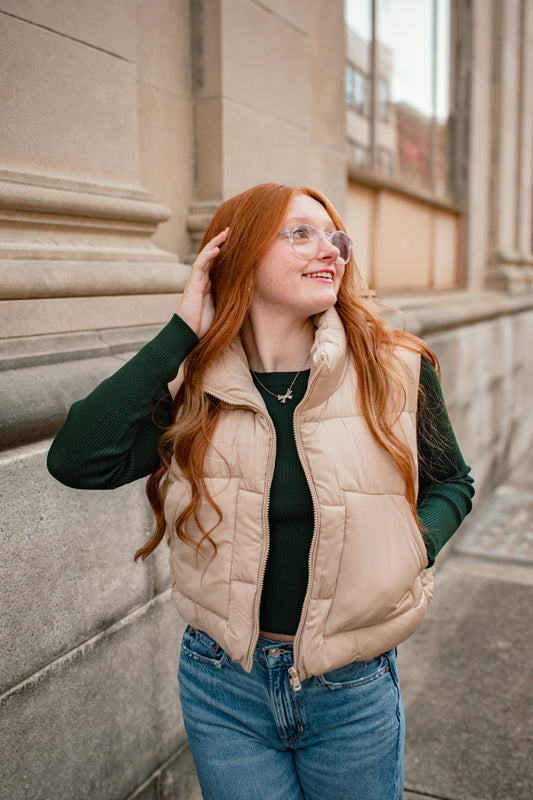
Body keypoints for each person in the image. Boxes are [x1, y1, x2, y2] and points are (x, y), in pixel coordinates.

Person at [47, 182, 474, 800]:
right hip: (223, 686)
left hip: (351, 687)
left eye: (336, 237)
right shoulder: (198, 391)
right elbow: (78, 459)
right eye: (300, 233)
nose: (329, 248)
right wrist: (182, 331)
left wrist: (409, 548)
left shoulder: (395, 369)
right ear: (237, 255)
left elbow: (451, 482)